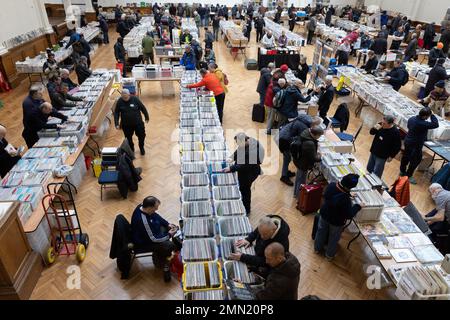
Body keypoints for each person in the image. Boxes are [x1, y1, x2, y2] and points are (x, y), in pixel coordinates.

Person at [130, 196, 181, 281]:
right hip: (144, 243)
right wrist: (169, 235)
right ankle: (160, 261)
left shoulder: (143, 206)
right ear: (149, 208)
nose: (156, 210)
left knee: (168, 229)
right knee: (169, 245)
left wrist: (167, 224)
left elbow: (156, 216)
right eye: (155, 209)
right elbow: (153, 239)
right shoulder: (143, 221)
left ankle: (162, 253)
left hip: (150, 234)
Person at [314, 174, 362, 260]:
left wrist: (349, 194)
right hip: (336, 222)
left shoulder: (332, 185)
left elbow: (334, 195)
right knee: (333, 238)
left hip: (324, 214)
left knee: (320, 232)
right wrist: (358, 206)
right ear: (350, 187)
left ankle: (317, 248)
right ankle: (329, 255)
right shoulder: (345, 199)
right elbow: (349, 215)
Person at [223, 133, 264, 215]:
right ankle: (243, 203)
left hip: (249, 173)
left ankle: (246, 209)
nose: (238, 145)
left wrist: (231, 168)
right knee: (243, 189)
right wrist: (231, 158)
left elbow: (244, 166)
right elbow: (239, 150)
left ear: (245, 140)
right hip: (246, 169)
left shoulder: (253, 152)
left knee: (245, 190)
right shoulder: (248, 141)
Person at [279, 115, 322, 185]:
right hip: (285, 140)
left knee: (287, 157)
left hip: (283, 134)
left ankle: (285, 172)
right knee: (287, 158)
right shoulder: (304, 127)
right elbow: (302, 141)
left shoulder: (306, 119)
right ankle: (284, 176)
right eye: (317, 125)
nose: (316, 127)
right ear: (314, 124)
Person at [400, 107, 439, 184]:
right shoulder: (422, 123)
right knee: (415, 160)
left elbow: (408, 127)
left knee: (405, 157)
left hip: (408, 140)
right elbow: (435, 124)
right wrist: (433, 115)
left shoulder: (412, 118)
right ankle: (408, 175)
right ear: (425, 116)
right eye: (428, 116)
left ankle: (402, 171)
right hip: (415, 144)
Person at [114, 89, 149, 155]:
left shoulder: (135, 99)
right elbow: (116, 112)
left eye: (126, 97)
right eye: (123, 97)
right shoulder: (120, 101)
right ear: (121, 96)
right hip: (126, 125)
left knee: (142, 136)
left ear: (129, 95)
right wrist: (116, 123)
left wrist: (147, 117)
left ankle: (141, 147)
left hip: (138, 123)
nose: (125, 99)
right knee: (128, 138)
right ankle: (132, 149)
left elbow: (142, 108)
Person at [292, 126, 324, 198]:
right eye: (319, 136)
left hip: (299, 160)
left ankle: (295, 193)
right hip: (303, 164)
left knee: (298, 177)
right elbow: (314, 158)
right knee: (301, 179)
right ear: (315, 134)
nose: (319, 137)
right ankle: (298, 196)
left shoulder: (306, 132)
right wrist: (321, 156)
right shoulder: (309, 143)